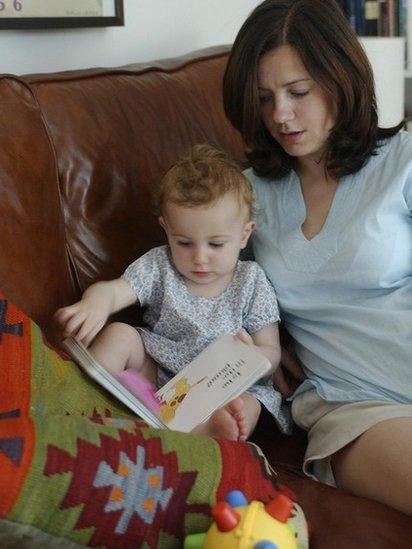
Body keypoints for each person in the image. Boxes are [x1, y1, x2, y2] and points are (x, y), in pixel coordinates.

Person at [222, 0, 412, 515]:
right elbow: (199, 282)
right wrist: (269, 339)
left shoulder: (403, 162)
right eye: (265, 99)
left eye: (298, 92)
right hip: (356, 406)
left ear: (341, 79)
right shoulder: (245, 196)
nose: (280, 115)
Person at [54, 144, 292, 442]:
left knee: (249, 403)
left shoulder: (251, 280)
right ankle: (80, 398)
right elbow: (114, 292)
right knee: (119, 333)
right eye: (184, 243)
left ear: (244, 234)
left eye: (216, 244)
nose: (200, 258)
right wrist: (97, 302)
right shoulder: (159, 265)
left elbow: (271, 352)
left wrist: (254, 355)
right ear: (166, 230)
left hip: (221, 386)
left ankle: (211, 430)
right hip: (159, 378)